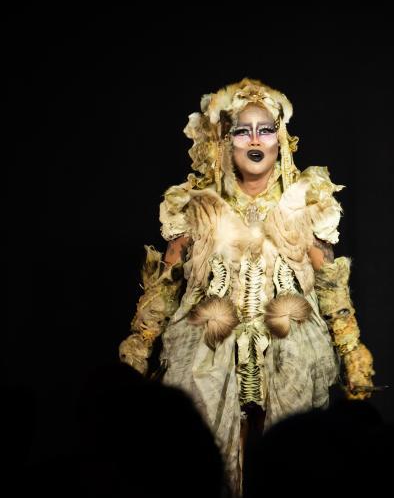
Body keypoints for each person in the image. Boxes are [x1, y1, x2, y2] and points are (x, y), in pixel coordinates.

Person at [119, 78, 376, 495]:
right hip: (209, 346)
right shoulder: (197, 204)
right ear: (226, 141)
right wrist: (140, 344)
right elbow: (165, 284)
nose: (255, 139)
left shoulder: (306, 203)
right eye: (243, 131)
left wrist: (351, 349)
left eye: (265, 129)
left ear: (280, 139)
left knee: (291, 460)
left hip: (288, 345)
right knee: (205, 456)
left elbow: (331, 285)